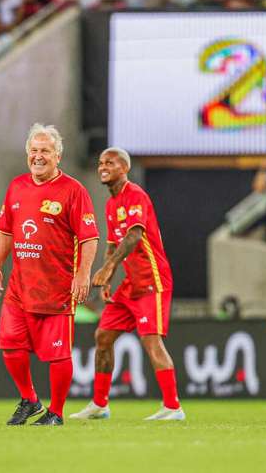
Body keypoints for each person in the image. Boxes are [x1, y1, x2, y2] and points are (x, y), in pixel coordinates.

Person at [0, 124, 99, 426]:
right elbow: (6, 231)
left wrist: (82, 274)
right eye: (34, 151)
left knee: (58, 355)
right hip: (19, 287)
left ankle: (57, 412)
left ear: (58, 156)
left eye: (45, 151)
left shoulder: (74, 191)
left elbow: (89, 237)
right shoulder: (17, 187)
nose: (38, 156)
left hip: (56, 287)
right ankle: (30, 399)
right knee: (10, 345)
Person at [70, 148, 183, 421]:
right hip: (131, 283)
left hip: (152, 280)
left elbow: (134, 235)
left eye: (109, 162)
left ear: (124, 167)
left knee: (151, 341)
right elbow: (113, 243)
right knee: (103, 336)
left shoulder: (136, 195)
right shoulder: (111, 204)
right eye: (99, 163)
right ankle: (99, 405)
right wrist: (110, 275)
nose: (102, 167)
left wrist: (108, 267)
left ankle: (173, 407)